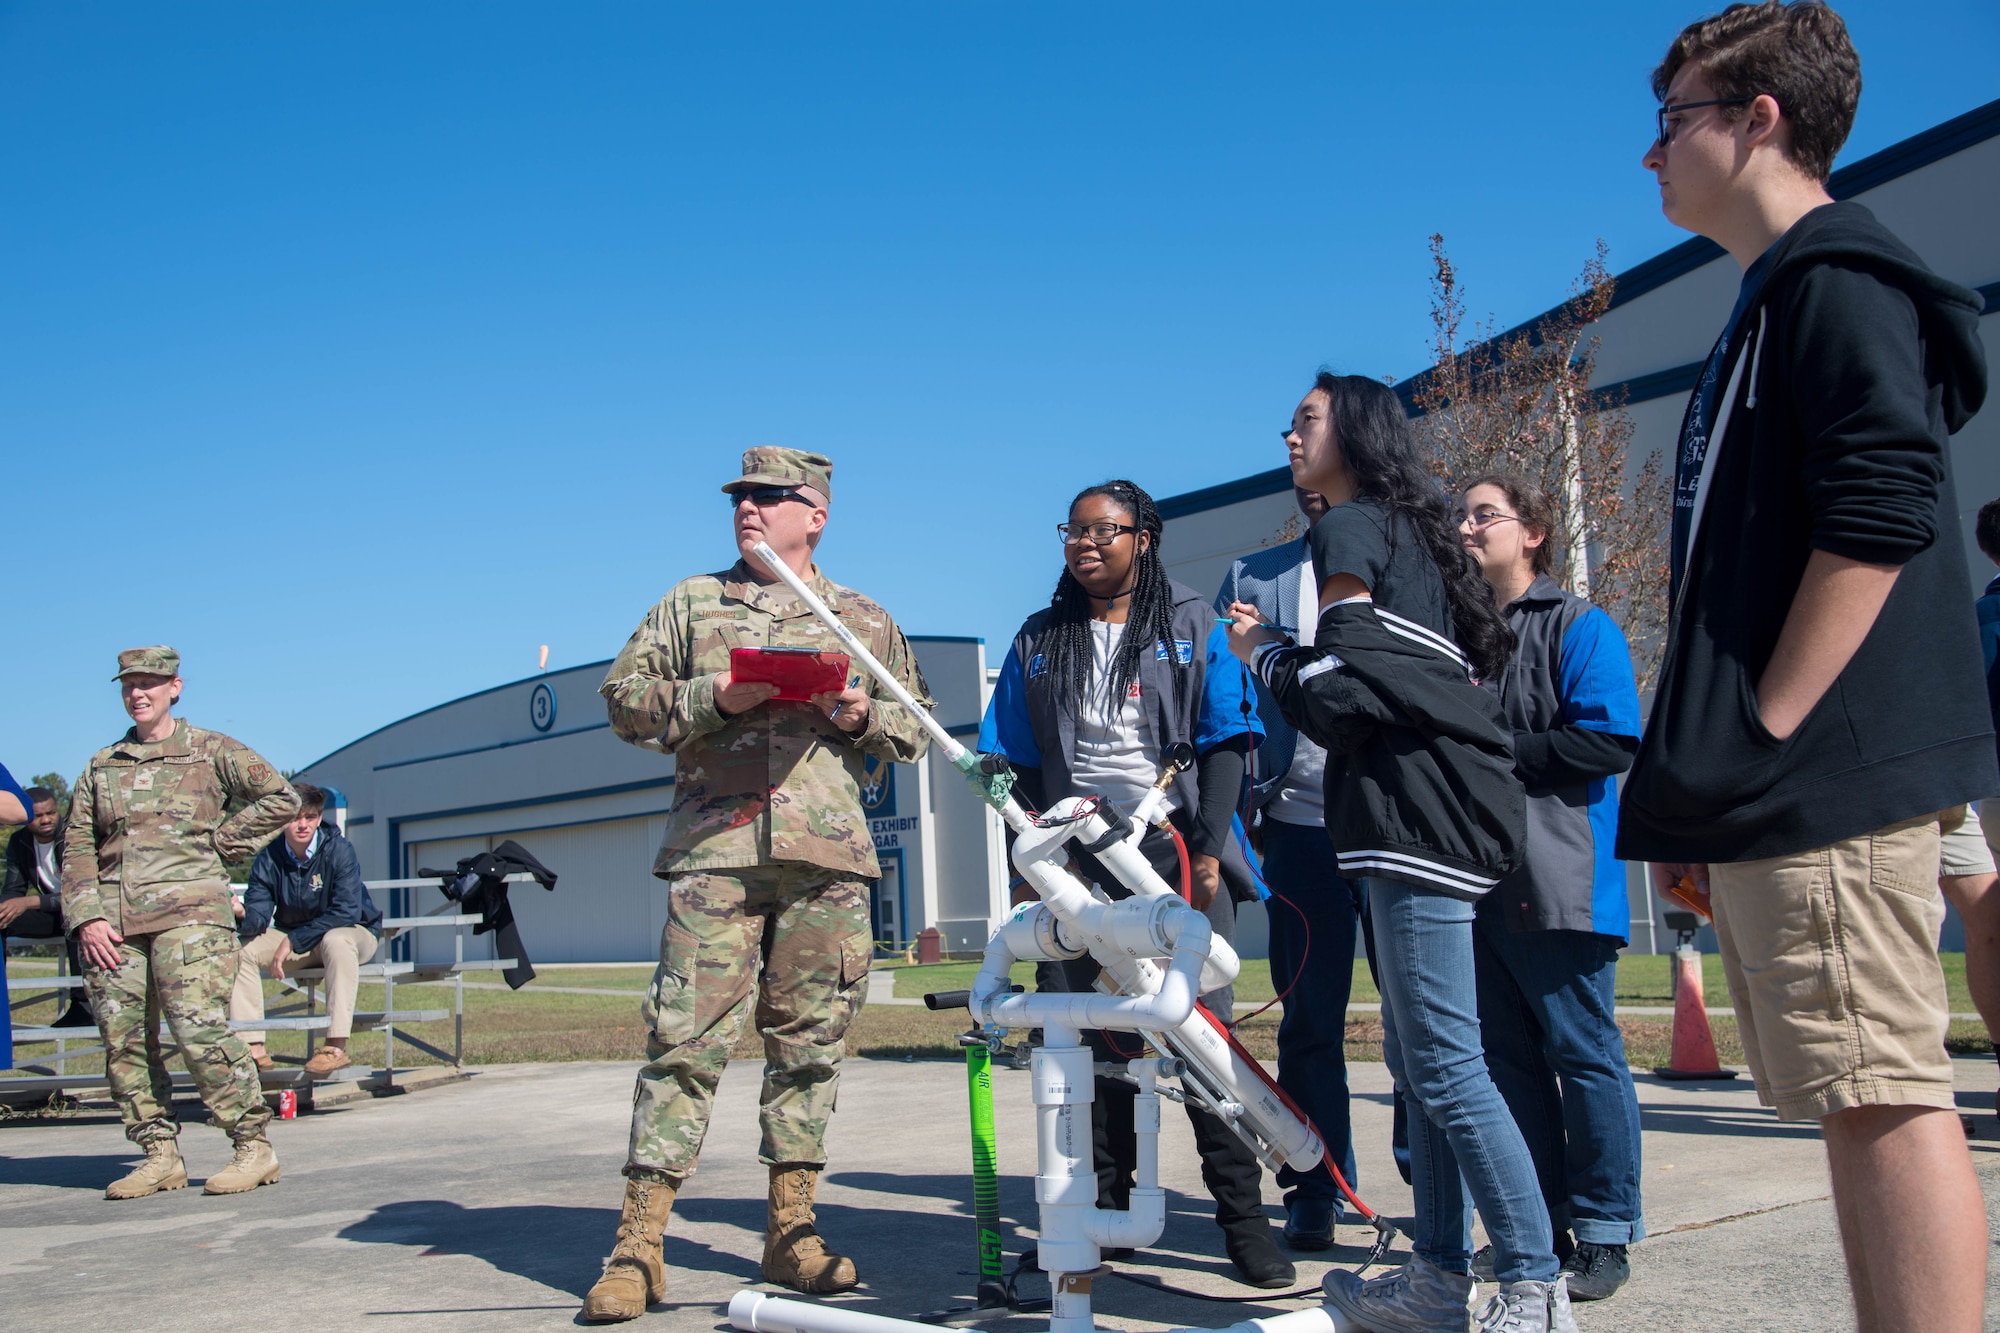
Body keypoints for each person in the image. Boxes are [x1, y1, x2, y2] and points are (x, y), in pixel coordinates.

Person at [1618, 5, 1992, 1328]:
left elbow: (1881, 517)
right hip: (1798, 777)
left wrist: (1759, 736)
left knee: (1884, 1092)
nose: (1651, 155)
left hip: (1827, 770)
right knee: (1853, 1094)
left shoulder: (1834, 283)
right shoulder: (1777, 296)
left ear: (1759, 118)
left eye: (1673, 121)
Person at [1228, 374, 1573, 1333]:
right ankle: (1434, 1277)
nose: (1290, 433)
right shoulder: (1422, 535)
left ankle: (1535, 1286)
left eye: (1306, 418)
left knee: (1447, 1066)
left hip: (1410, 816)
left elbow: (1340, 699)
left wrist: (1263, 651)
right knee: (1429, 1068)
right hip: (1452, 809)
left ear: (1356, 432)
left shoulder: (1347, 529)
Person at [583, 447, 933, 1323]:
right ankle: (638, 1245)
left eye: (771, 497)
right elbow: (625, 700)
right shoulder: (690, 602)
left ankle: (792, 1229)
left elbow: (915, 726)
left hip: (827, 862)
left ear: (815, 514)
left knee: (808, 1047)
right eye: (741, 496)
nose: (748, 507)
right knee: (684, 1041)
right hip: (717, 852)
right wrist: (720, 698)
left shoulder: (861, 616)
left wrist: (860, 713)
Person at [981, 478, 1292, 1289]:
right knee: (1089, 1040)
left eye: (1104, 530)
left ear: (1143, 537)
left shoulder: (1191, 621)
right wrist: (1026, 868)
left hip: (1172, 856)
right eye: (1073, 531)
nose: (1085, 543)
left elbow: (1227, 736)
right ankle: (1106, 1210)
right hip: (1074, 867)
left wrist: (1213, 848)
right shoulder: (1040, 637)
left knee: (1202, 1046)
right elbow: (1008, 761)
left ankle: (1243, 1222)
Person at [1456, 474, 1646, 1301]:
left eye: (1483, 514)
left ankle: (1605, 1230)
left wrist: (1493, 752)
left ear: (1533, 531)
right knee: (1506, 1063)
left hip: (1559, 876)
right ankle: (1540, 1229)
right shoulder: (1457, 635)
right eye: (1461, 515)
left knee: (1583, 1051)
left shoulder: (1580, 624)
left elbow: (1607, 739)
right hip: (1472, 884)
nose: (1467, 526)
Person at [64, 647, 301, 1199]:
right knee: (123, 1041)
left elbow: (280, 798)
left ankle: (252, 1146)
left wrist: (221, 844)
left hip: (190, 916)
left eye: (149, 683)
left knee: (198, 1032)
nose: (137, 694)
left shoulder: (211, 750)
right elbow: (75, 843)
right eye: (129, 685)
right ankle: (158, 1155)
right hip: (114, 922)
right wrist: (86, 918)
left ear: (175, 687)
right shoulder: (103, 765)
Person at [1212, 485, 1366, 1252]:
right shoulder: (1255, 577)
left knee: (1422, 1027)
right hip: (1301, 830)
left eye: (1312, 426)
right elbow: (1226, 704)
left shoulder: (1409, 561)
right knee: (1309, 1023)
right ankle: (1319, 1185)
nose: (1297, 447)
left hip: (1394, 827)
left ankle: (1434, 1182)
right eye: (1292, 430)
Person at [230, 782, 383, 1078]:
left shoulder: (339, 850)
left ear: (318, 817)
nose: (302, 825)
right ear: (281, 818)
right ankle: (253, 1048)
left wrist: (293, 939)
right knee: (242, 949)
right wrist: (240, 914)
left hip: (352, 933)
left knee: (336, 940)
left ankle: (335, 1046)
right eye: (295, 817)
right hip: (298, 941)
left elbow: (346, 911)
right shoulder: (268, 858)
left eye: (310, 817)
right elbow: (259, 917)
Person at [2, 786, 94, 1025]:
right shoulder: (19, 841)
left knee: (76, 919)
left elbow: (78, 893)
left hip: (78, 912)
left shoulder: (72, 836)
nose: (46, 820)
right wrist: (7, 907)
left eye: (51, 813)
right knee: (2, 917)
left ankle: (82, 1008)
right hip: (52, 916)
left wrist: (31, 901)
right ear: (26, 817)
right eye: (38, 815)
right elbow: (12, 892)